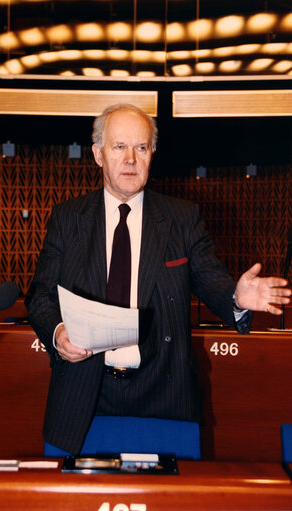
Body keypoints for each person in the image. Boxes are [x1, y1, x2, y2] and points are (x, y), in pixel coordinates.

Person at [26, 103, 291, 455]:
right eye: (119, 147)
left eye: (141, 147)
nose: (131, 159)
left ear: (153, 154)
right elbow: (41, 297)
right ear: (98, 154)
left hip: (164, 396)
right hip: (82, 396)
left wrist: (236, 299)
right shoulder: (67, 218)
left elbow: (214, 283)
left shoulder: (182, 218)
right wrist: (58, 334)